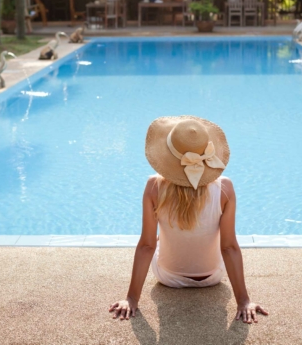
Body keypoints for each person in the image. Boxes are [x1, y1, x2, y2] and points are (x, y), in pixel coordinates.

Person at [109, 116, 268, 324]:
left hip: (169, 277)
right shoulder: (225, 188)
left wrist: (131, 299)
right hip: (212, 277)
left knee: (155, 241)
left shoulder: (153, 186)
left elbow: (146, 246)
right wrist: (244, 301)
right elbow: (229, 247)